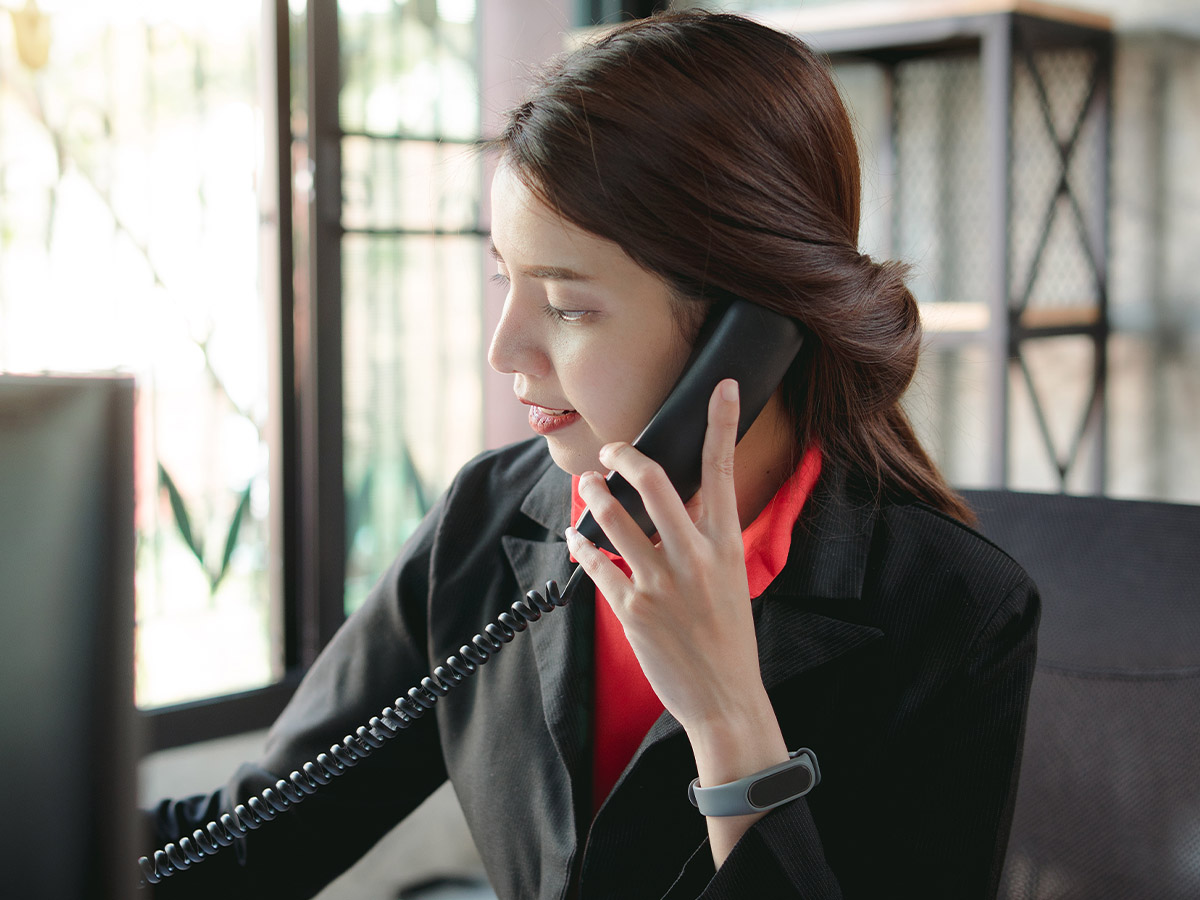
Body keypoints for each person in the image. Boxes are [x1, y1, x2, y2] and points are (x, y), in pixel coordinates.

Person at [143, 10, 1039, 899]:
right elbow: (246, 845)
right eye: (506, 278)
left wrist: (729, 719)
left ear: (749, 332)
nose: (505, 349)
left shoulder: (956, 613)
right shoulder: (485, 522)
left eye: (567, 305)